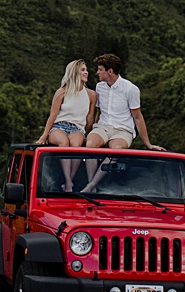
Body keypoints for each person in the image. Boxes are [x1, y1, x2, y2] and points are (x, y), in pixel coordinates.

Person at [83, 53, 164, 192]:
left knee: (117, 150)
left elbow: (138, 117)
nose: (97, 73)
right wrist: (91, 131)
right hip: (103, 127)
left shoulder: (130, 89)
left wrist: (148, 144)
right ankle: (91, 184)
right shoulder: (99, 87)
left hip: (123, 130)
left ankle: (91, 185)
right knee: (90, 144)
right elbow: (99, 113)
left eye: (100, 69)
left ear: (110, 71)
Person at [37, 59, 97, 192]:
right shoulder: (62, 92)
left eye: (86, 70)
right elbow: (52, 116)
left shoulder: (91, 95)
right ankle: (68, 183)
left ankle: (69, 180)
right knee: (64, 143)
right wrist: (44, 136)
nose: (86, 72)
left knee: (76, 146)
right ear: (74, 72)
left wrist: (87, 135)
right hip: (59, 126)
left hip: (78, 128)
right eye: (83, 70)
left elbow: (90, 118)